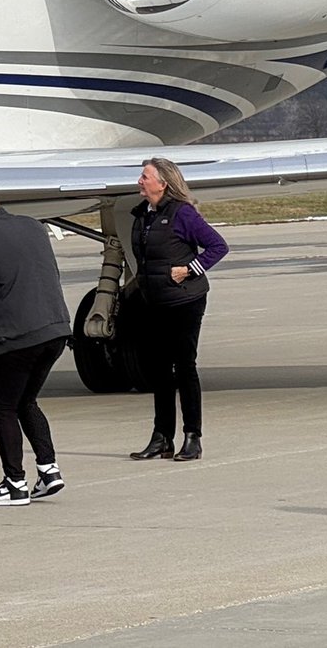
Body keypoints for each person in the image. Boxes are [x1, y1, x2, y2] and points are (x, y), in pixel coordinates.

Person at [0, 184, 71, 507]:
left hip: (15, 339)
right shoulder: (34, 227)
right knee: (27, 401)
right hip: (55, 330)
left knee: (4, 408)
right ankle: (49, 470)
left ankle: (15, 483)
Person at [128, 157, 228, 463]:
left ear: (163, 183)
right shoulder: (143, 215)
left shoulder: (182, 214)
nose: (140, 181)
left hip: (185, 301)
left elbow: (218, 246)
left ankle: (192, 437)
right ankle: (162, 438)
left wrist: (190, 269)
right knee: (158, 370)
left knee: (184, 367)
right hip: (155, 302)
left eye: (145, 176)